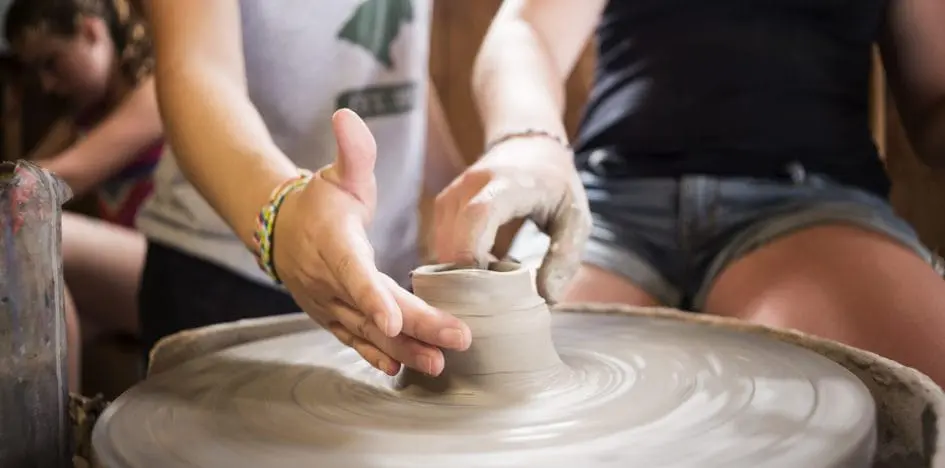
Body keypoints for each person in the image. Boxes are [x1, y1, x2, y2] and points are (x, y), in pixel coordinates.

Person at [433, 0, 945, 386]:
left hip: (811, 202)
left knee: (890, 395)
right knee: (486, 378)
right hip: (603, 203)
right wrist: (528, 142)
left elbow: (935, 100)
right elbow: (528, 31)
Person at [143, 0, 471, 377]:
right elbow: (196, 64)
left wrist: (461, 190)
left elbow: (396, 68)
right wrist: (282, 215)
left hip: (387, 280)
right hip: (229, 273)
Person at [4, 0, 161, 391]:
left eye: (51, 63)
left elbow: (44, 183)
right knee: (31, 319)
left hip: (176, 263)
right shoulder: (86, 116)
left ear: (91, 31)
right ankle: (60, 435)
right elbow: (23, 173)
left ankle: (61, 447)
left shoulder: (159, 93)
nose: (47, 85)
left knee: (31, 229)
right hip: (130, 275)